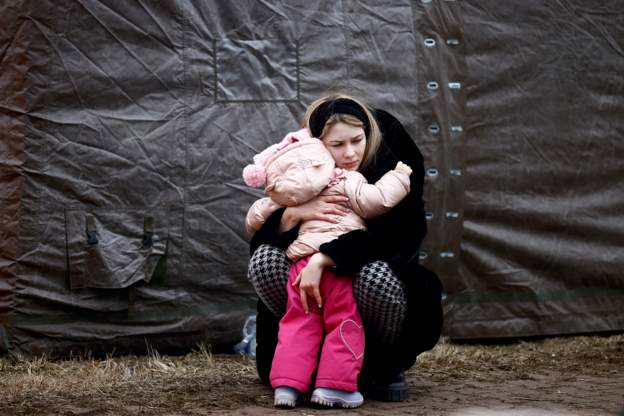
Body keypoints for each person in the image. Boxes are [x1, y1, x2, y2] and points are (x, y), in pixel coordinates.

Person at [247, 93, 443, 402]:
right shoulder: (307, 169)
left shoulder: (388, 161)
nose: (349, 153)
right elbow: (258, 228)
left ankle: (381, 365)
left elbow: (399, 236)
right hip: (307, 282)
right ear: (317, 145)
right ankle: (297, 367)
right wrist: (290, 217)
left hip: (362, 270)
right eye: (337, 145)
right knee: (265, 260)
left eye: (356, 141)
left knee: (375, 278)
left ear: (367, 134)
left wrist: (327, 257)